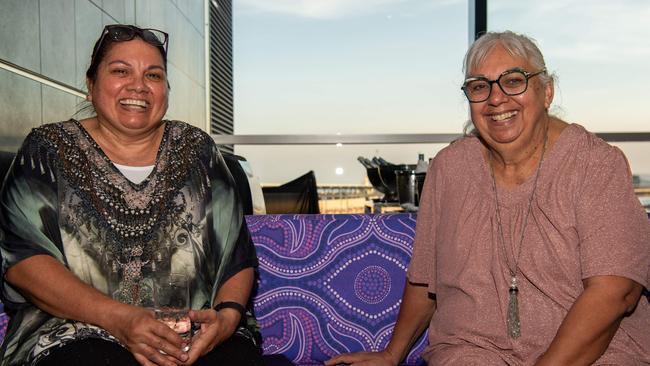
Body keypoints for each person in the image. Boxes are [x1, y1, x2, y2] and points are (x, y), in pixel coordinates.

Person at [327, 31, 649, 365]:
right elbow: (425, 278)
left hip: (596, 355)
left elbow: (615, 292)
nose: (496, 99)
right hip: (472, 351)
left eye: (513, 81)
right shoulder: (450, 169)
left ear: (547, 91)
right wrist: (393, 354)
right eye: (480, 86)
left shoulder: (595, 164)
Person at [0, 24, 263, 366]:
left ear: (166, 89)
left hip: (192, 336)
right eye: (121, 71)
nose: (138, 85)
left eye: (153, 75)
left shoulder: (198, 151)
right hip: (73, 333)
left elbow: (236, 255)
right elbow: (23, 263)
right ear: (90, 85)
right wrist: (121, 320)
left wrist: (227, 319)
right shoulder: (47, 151)